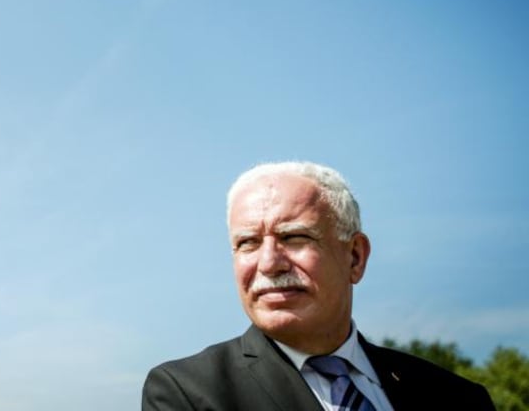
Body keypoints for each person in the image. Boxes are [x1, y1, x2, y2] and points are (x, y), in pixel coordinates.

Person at [142, 161, 495, 410]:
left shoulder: (457, 397)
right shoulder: (188, 393)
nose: (268, 263)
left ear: (355, 257)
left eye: (294, 237)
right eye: (247, 242)